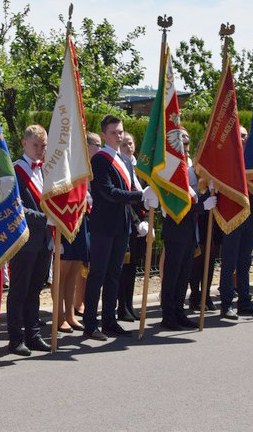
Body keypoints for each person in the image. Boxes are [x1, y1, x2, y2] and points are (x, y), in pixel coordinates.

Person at [83, 115, 153, 341]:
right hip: (104, 226)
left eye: (121, 131)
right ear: (103, 135)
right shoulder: (100, 160)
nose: (119, 136)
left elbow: (127, 192)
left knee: (115, 274)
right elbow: (107, 192)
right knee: (98, 275)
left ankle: (110, 322)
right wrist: (140, 196)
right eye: (113, 132)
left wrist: (137, 217)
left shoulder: (122, 159)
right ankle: (90, 323)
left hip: (122, 226)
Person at [7, 125, 53, 356]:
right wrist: (46, 218)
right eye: (36, 145)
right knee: (19, 289)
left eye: (43, 145)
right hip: (23, 239)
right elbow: (15, 207)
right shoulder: (15, 170)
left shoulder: (47, 169)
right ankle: (16, 339)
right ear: (25, 143)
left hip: (45, 239)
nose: (40, 149)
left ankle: (33, 334)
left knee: (36, 288)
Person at [219, 126, 253, 319]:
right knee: (229, 261)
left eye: (245, 135)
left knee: (245, 260)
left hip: (251, 215)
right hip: (231, 213)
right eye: (239, 135)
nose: (243, 139)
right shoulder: (226, 159)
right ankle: (227, 302)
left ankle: (245, 300)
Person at [158, 129, 199, 330]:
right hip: (175, 226)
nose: (185, 145)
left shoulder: (189, 164)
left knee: (184, 274)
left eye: (187, 142)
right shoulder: (169, 166)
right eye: (181, 142)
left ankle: (180, 312)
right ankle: (168, 315)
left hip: (190, 227)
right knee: (172, 275)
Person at [57, 133, 97, 332]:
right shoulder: (60, 167)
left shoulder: (82, 170)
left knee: (74, 270)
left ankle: (70, 314)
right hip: (65, 220)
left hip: (79, 221)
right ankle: (58, 317)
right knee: (62, 272)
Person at [116, 131, 147, 324]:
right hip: (129, 223)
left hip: (142, 224)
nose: (128, 147)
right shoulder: (121, 168)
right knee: (123, 269)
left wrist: (148, 219)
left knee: (133, 267)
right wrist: (137, 223)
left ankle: (129, 304)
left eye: (130, 144)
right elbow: (126, 200)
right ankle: (122, 307)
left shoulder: (140, 169)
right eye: (124, 144)